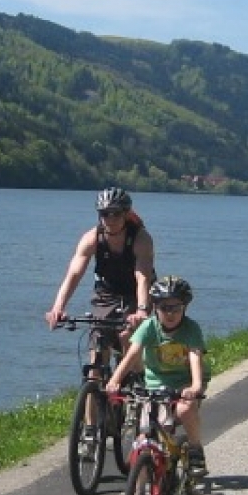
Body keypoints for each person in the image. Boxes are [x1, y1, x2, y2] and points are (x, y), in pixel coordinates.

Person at [105, 275, 209, 479]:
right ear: (155, 308)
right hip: (156, 384)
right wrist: (115, 379)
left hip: (184, 383)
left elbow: (195, 356)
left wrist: (195, 386)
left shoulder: (190, 329)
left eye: (176, 308)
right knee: (145, 437)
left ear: (185, 308)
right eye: (164, 308)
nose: (170, 314)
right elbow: (133, 354)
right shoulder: (149, 327)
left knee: (184, 409)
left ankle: (196, 450)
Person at [43, 185, 156, 372]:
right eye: (105, 214)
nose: (110, 219)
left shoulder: (141, 238)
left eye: (116, 213)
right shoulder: (91, 238)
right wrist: (58, 308)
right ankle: (95, 393)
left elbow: (142, 277)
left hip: (136, 292)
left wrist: (142, 310)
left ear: (126, 214)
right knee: (97, 349)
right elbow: (74, 274)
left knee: (127, 334)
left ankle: (135, 377)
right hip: (107, 292)